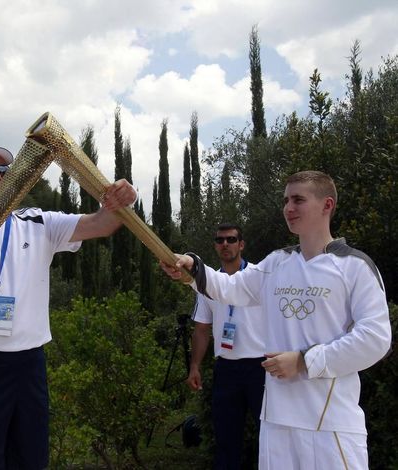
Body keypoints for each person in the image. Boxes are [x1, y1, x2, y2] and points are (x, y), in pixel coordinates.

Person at [162, 171, 392, 470]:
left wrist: (303, 361)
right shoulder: (277, 263)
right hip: (276, 422)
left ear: (327, 205)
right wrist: (192, 267)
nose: (288, 208)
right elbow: (228, 288)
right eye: (285, 200)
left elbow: (376, 339)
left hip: (329, 423)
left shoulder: (354, 266)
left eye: (298, 200)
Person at [0, 142, 137, 469]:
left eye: (3, 171)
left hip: (28, 363)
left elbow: (102, 223)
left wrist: (121, 200)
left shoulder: (38, 222)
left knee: (30, 459)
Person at [187, 223, 265, 470]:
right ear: (215, 245)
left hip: (260, 367)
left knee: (271, 436)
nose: (225, 245)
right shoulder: (208, 283)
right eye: (220, 240)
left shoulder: (258, 276)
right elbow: (201, 328)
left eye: (231, 240)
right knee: (226, 440)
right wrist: (195, 366)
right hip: (227, 369)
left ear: (241, 244)